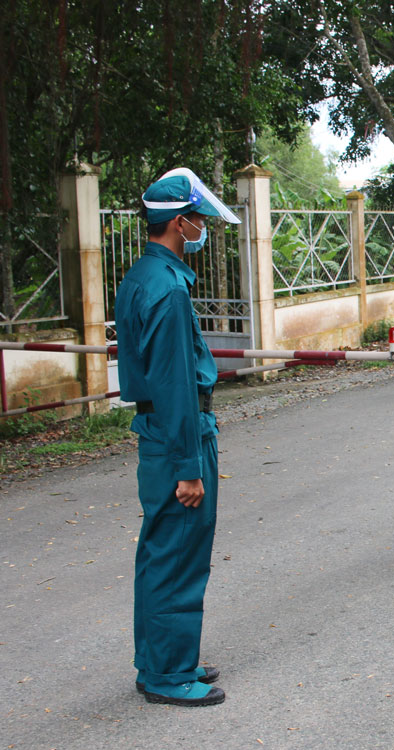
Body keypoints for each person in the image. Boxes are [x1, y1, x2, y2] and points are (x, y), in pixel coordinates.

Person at [116, 168, 241, 706]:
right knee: (180, 555)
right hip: (179, 437)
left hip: (160, 435)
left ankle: (164, 660)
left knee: (160, 553)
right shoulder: (167, 289)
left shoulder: (142, 276)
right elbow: (173, 386)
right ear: (178, 223)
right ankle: (168, 676)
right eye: (197, 220)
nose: (201, 228)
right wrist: (189, 466)